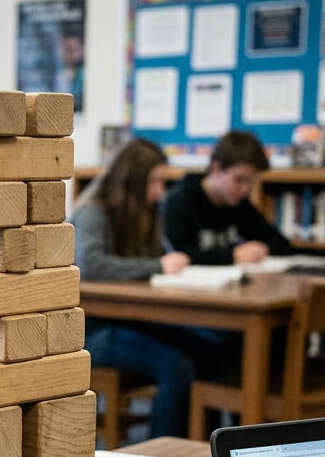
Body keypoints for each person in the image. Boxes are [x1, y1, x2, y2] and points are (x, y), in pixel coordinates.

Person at [74, 137, 222, 439]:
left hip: (130, 320)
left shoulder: (144, 213)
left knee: (209, 352)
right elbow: (91, 265)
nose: (160, 192)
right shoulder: (93, 211)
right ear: (132, 180)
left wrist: (164, 263)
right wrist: (158, 266)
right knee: (177, 368)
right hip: (89, 329)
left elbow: (156, 257)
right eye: (155, 181)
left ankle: (203, 453)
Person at [161, 130, 293, 264]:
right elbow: (180, 256)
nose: (245, 189)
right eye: (239, 179)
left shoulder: (238, 204)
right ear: (215, 169)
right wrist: (233, 256)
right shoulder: (179, 200)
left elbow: (281, 243)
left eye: (251, 182)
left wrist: (262, 249)